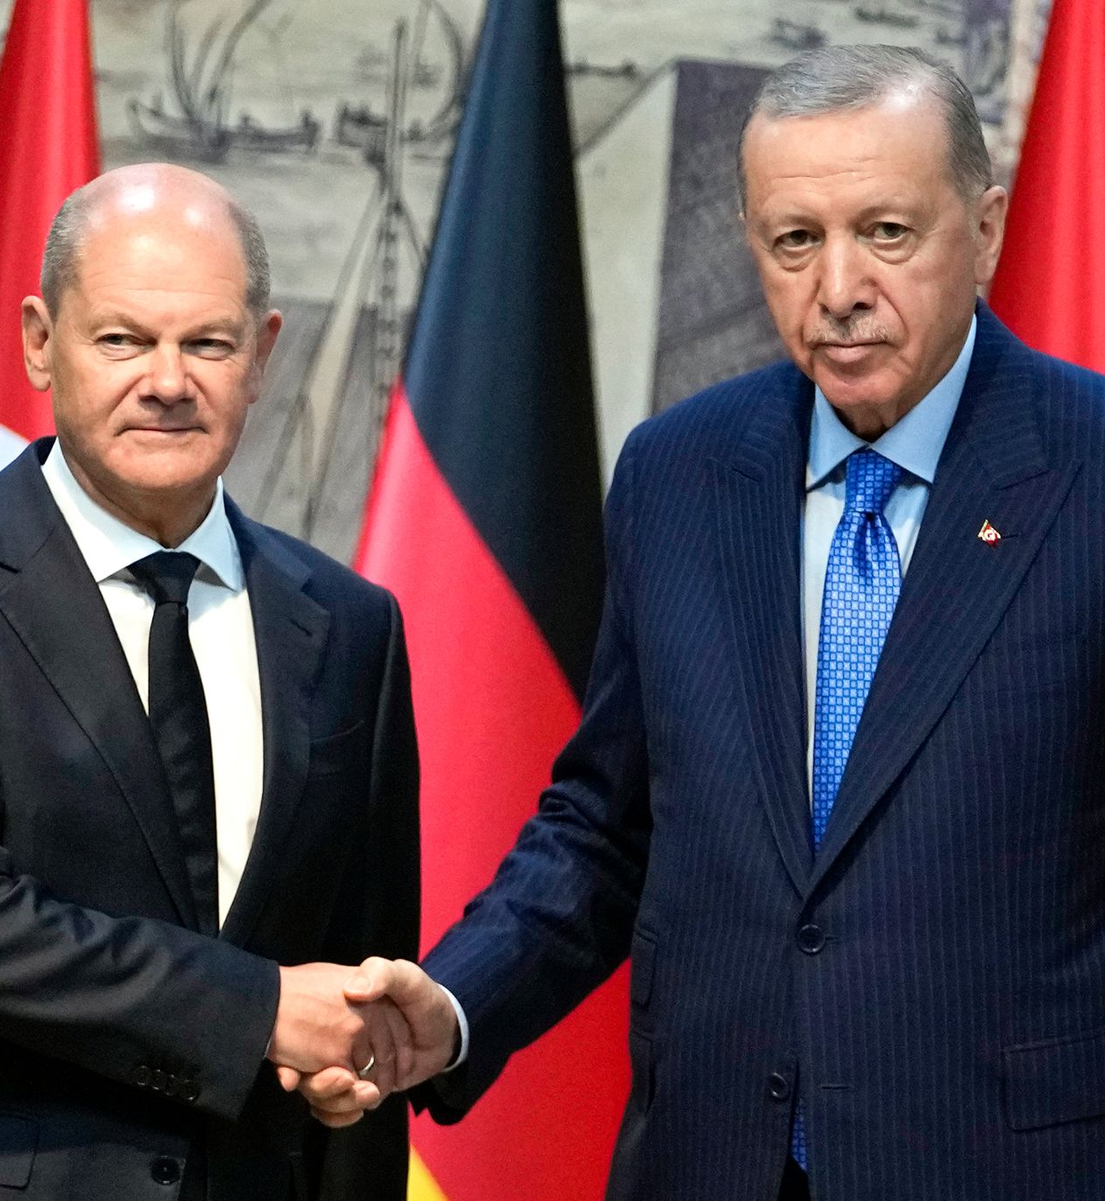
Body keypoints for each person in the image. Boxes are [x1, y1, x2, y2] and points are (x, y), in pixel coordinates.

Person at [305, 44, 1105, 1201]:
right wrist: (458, 1002)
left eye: (887, 232)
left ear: (982, 231)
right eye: (796, 240)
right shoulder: (679, 475)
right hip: (711, 1159)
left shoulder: (1084, 469)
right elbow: (607, 828)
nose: (838, 287)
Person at [0, 164, 419, 1200]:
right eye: (124, 339)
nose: (169, 380)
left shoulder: (353, 624)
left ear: (264, 353)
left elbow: (360, 979)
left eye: (209, 343)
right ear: (41, 343)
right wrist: (259, 1010)